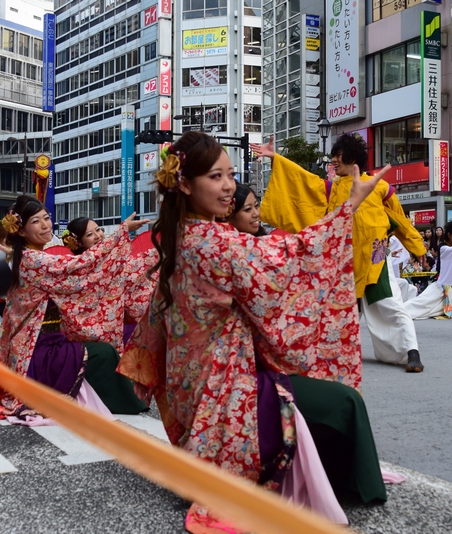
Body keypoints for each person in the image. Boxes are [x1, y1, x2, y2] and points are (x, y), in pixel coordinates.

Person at [118, 131, 390, 532]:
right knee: (344, 402)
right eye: (215, 176)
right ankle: (350, 484)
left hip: (191, 389)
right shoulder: (215, 241)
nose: (228, 185)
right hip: (227, 391)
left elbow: (160, 315)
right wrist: (348, 205)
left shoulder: (178, 236)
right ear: (186, 183)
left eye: (230, 174)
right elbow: (294, 259)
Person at [256, 134, 427, 373]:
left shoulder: (380, 186)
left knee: (391, 305)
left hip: (376, 259)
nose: (333, 160)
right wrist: (276, 158)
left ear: (352, 158)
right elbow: (302, 180)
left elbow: (399, 219)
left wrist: (416, 247)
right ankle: (329, 354)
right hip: (345, 262)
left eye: (338, 156)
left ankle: (412, 352)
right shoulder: (332, 188)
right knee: (340, 312)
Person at [0, 196, 151, 419]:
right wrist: (120, 234)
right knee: (102, 353)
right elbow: (80, 267)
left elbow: (83, 280)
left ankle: (121, 398)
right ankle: (123, 402)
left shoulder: (30, 256)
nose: (45, 225)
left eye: (46, 218)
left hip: (48, 341)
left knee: (104, 349)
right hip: (36, 350)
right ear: (21, 231)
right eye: (36, 221)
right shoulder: (33, 259)